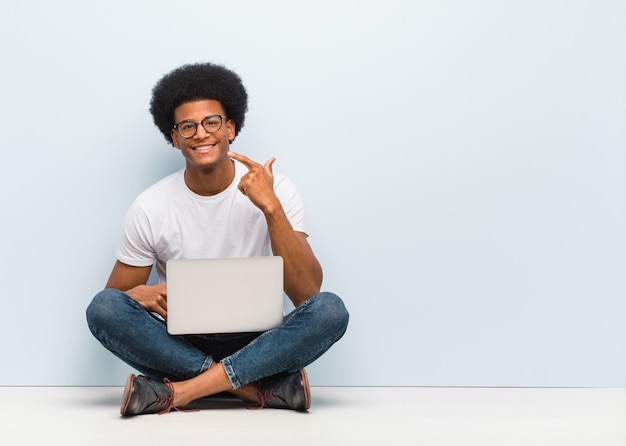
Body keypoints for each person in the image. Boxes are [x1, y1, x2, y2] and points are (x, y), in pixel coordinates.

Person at [86, 62, 349, 416]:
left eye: (211, 122)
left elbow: (307, 294)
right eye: (187, 126)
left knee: (330, 310)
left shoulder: (278, 190)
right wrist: (139, 293)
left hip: (262, 341)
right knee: (102, 309)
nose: (201, 133)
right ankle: (256, 390)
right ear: (174, 137)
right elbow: (114, 301)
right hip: (180, 342)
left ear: (230, 128)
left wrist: (271, 209)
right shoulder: (150, 206)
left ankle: (180, 393)